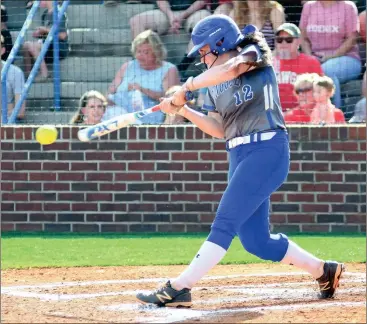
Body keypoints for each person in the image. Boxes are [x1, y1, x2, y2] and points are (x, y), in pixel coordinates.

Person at [136, 15, 344, 307]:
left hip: (267, 149)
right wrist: (183, 110)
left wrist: (187, 87)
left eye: (204, 51)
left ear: (220, 43)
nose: (202, 58)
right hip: (239, 154)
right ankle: (324, 270)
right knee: (256, 241)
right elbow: (219, 128)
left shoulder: (252, 53)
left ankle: (180, 287)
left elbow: (232, 68)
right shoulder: (212, 83)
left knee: (225, 222)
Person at [104, 29, 180, 124]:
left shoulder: (169, 69)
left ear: (157, 52)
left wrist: (142, 90)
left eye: (146, 52)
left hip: (147, 117)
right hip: (117, 113)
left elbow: (171, 99)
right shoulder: (127, 66)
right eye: (138, 51)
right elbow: (110, 92)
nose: (140, 56)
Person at [300, 0, 362, 109]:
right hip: (314, 58)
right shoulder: (309, 6)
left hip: (347, 58)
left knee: (325, 71)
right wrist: (310, 57)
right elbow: (303, 38)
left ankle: (334, 117)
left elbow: (352, 38)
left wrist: (332, 56)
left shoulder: (348, 7)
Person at [129, 0, 211, 78]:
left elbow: (202, 1)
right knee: (136, 21)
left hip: (195, 11)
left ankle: (182, 68)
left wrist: (181, 16)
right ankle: (145, 66)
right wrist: (171, 16)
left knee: (206, 24)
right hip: (167, 12)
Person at [273, 23, 323, 111]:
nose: (284, 43)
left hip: (302, 114)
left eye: (289, 40)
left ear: (299, 41)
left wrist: (292, 114)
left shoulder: (311, 62)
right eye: (279, 40)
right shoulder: (269, 64)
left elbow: (321, 92)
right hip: (274, 115)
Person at [23, 0, 69, 82]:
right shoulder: (45, 14)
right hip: (47, 45)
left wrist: (45, 29)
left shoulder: (59, 12)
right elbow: (47, 34)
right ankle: (29, 75)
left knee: (32, 45)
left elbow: (63, 36)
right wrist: (40, 34)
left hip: (58, 47)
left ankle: (44, 74)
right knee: (26, 45)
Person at [1, 34, 26, 122]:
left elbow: (20, 112)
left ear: (2, 50)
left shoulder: (15, 72)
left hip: (5, 121)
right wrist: (9, 106)